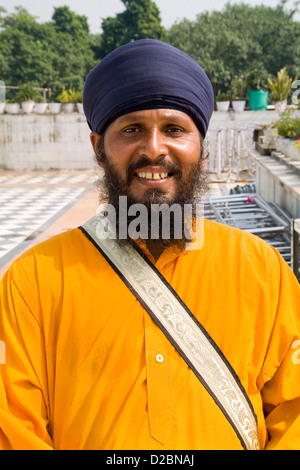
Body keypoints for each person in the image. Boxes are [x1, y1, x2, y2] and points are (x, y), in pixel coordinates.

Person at [0, 39, 300, 451]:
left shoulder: (262, 269)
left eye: (175, 129)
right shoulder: (32, 280)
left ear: (201, 148)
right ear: (98, 148)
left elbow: (294, 412)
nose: (154, 148)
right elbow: (13, 428)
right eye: (131, 129)